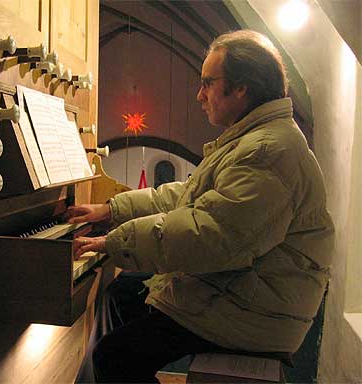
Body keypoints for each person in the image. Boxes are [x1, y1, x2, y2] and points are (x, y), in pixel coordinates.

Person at [68, 30, 334, 383]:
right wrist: (111, 210)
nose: (199, 94)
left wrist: (115, 242)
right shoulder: (255, 139)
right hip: (241, 288)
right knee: (122, 292)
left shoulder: (270, 151)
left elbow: (212, 235)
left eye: (208, 83)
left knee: (114, 356)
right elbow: (187, 198)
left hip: (256, 311)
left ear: (241, 88)